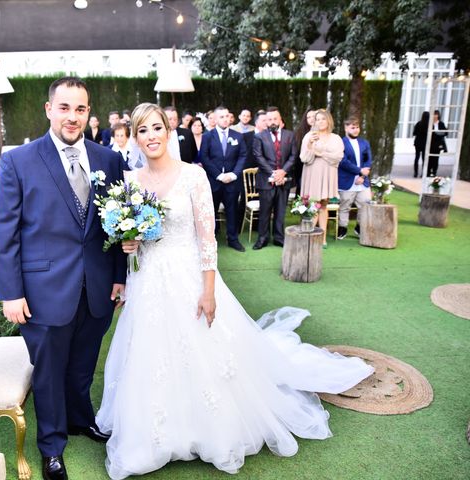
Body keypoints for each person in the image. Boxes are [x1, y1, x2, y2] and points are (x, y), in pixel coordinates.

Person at [95, 103, 374, 480]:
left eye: (157, 128)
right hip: (148, 283)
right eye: (142, 130)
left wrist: (208, 291)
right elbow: (135, 239)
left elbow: (207, 240)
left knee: (202, 351)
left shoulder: (193, 176)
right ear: (135, 137)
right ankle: (157, 432)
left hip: (189, 276)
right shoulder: (130, 181)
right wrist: (130, 244)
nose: (151, 137)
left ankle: (205, 428)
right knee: (150, 353)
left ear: (168, 130)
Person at [0, 77, 127, 480]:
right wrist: (10, 293)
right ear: (49, 109)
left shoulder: (108, 159)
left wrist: (118, 276)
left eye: (80, 109)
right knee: (49, 373)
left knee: (84, 363)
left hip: (98, 287)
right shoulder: (19, 161)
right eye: (64, 107)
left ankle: (79, 419)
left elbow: (117, 227)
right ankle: (51, 447)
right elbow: (4, 232)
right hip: (43, 291)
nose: (72, 116)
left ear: (89, 112)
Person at [200, 105, 247, 252]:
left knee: (232, 211)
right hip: (214, 182)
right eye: (222, 116)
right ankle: (210, 240)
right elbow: (204, 158)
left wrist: (234, 174)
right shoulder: (207, 136)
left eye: (227, 116)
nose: (225, 119)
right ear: (215, 119)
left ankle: (233, 239)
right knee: (211, 212)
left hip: (232, 182)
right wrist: (219, 175)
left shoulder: (238, 136)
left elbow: (243, 156)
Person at [253, 107, 296, 250]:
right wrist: (273, 173)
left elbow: (293, 156)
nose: (272, 122)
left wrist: (283, 171)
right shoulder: (259, 136)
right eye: (269, 119)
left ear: (280, 119)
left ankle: (279, 238)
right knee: (265, 212)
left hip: (284, 180)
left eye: (275, 119)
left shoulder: (290, 135)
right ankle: (262, 238)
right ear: (266, 121)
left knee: (281, 211)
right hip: (266, 180)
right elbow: (258, 157)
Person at [300, 109, 344, 247]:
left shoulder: (335, 138)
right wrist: (309, 145)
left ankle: (323, 237)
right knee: (313, 205)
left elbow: (337, 157)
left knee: (323, 206)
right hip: (313, 172)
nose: (320, 122)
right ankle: (311, 237)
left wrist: (320, 152)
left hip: (328, 173)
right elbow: (304, 157)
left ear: (328, 120)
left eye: (323, 119)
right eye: (317, 119)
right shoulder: (309, 136)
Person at [337, 117, 372, 240]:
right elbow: (343, 162)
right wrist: (359, 171)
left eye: (357, 127)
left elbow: (368, 160)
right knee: (345, 206)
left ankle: (359, 227)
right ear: (346, 128)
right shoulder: (341, 143)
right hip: (346, 180)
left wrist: (362, 175)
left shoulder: (364, 143)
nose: (356, 130)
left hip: (363, 182)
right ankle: (342, 228)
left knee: (365, 204)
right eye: (353, 127)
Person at [293, 108, 315, 191]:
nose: (311, 119)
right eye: (308, 117)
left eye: (314, 116)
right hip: (302, 167)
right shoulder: (299, 133)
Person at [428, 109, 448, 177]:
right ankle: (428, 171)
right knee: (429, 158)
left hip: (438, 143)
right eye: (434, 114)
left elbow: (445, 132)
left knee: (436, 159)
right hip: (431, 143)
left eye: (436, 114)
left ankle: (434, 172)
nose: (435, 116)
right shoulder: (430, 123)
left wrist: (439, 133)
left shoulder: (441, 123)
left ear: (438, 115)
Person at [412, 111, 429, 177]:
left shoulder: (419, 123)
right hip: (425, 143)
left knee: (417, 157)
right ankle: (423, 173)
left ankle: (415, 173)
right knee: (424, 159)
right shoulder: (429, 125)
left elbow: (414, 133)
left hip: (418, 142)